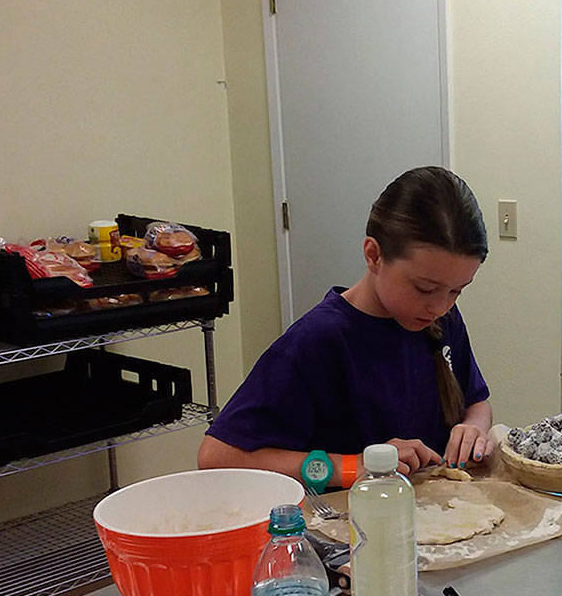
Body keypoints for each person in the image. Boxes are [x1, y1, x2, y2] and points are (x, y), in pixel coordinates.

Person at [197, 166, 492, 488]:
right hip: (354, 526)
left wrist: (474, 427)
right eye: (424, 288)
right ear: (373, 255)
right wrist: (352, 467)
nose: (439, 306)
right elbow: (216, 458)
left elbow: (477, 401)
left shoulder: (442, 320)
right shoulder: (319, 340)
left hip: (431, 513)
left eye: (457, 290)